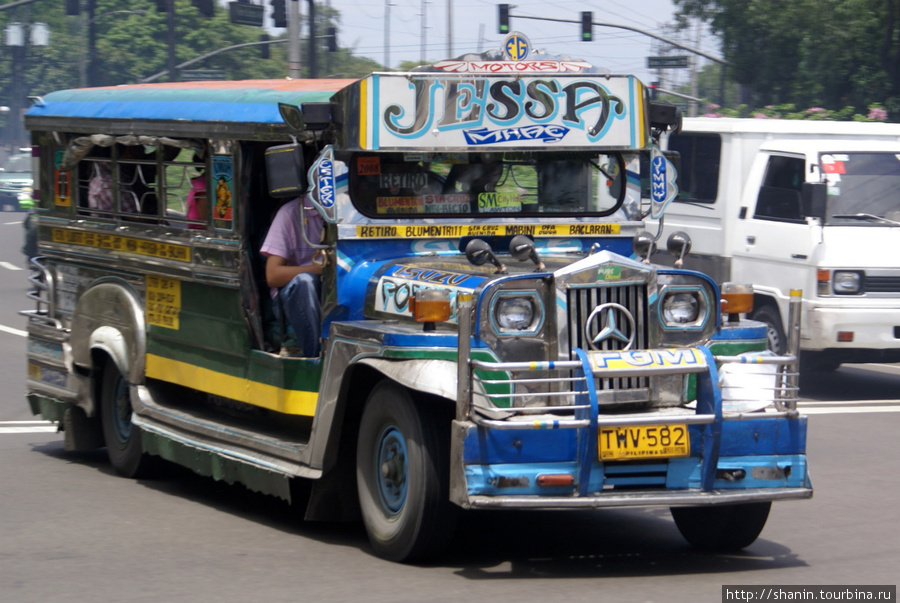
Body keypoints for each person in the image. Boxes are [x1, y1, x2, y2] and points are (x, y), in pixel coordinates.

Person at [260, 197, 325, 357]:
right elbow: (273, 275)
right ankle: (315, 356)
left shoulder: (357, 211)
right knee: (304, 282)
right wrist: (321, 270)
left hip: (334, 288)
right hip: (294, 298)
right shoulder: (290, 213)